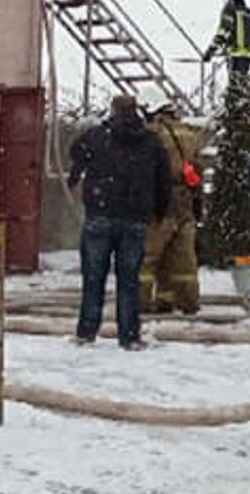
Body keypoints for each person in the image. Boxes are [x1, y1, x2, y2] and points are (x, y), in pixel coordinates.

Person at [67, 95, 172, 350]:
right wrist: (159, 212)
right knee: (129, 281)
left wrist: (74, 179)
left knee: (93, 278)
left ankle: (86, 331)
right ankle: (129, 335)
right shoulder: (151, 141)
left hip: (100, 214)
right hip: (135, 218)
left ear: (113, 111)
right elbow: (163, 180)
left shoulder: (98, 136)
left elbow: (75, 153)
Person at [139, 103, 204, 315]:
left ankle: (140, 301)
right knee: (182, 258)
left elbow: (145, 168)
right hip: (184, 201)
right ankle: (185, 301)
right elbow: (197, 169)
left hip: (160, 201)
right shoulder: (188, 133)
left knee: (147, 258)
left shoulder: (152, 133)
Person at [203, 0, 250, 78]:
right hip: (248, 57)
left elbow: (222, 33)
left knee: (235, 85)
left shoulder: (229, 11)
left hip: (235, 56)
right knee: (242, 82)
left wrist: (210, 52)